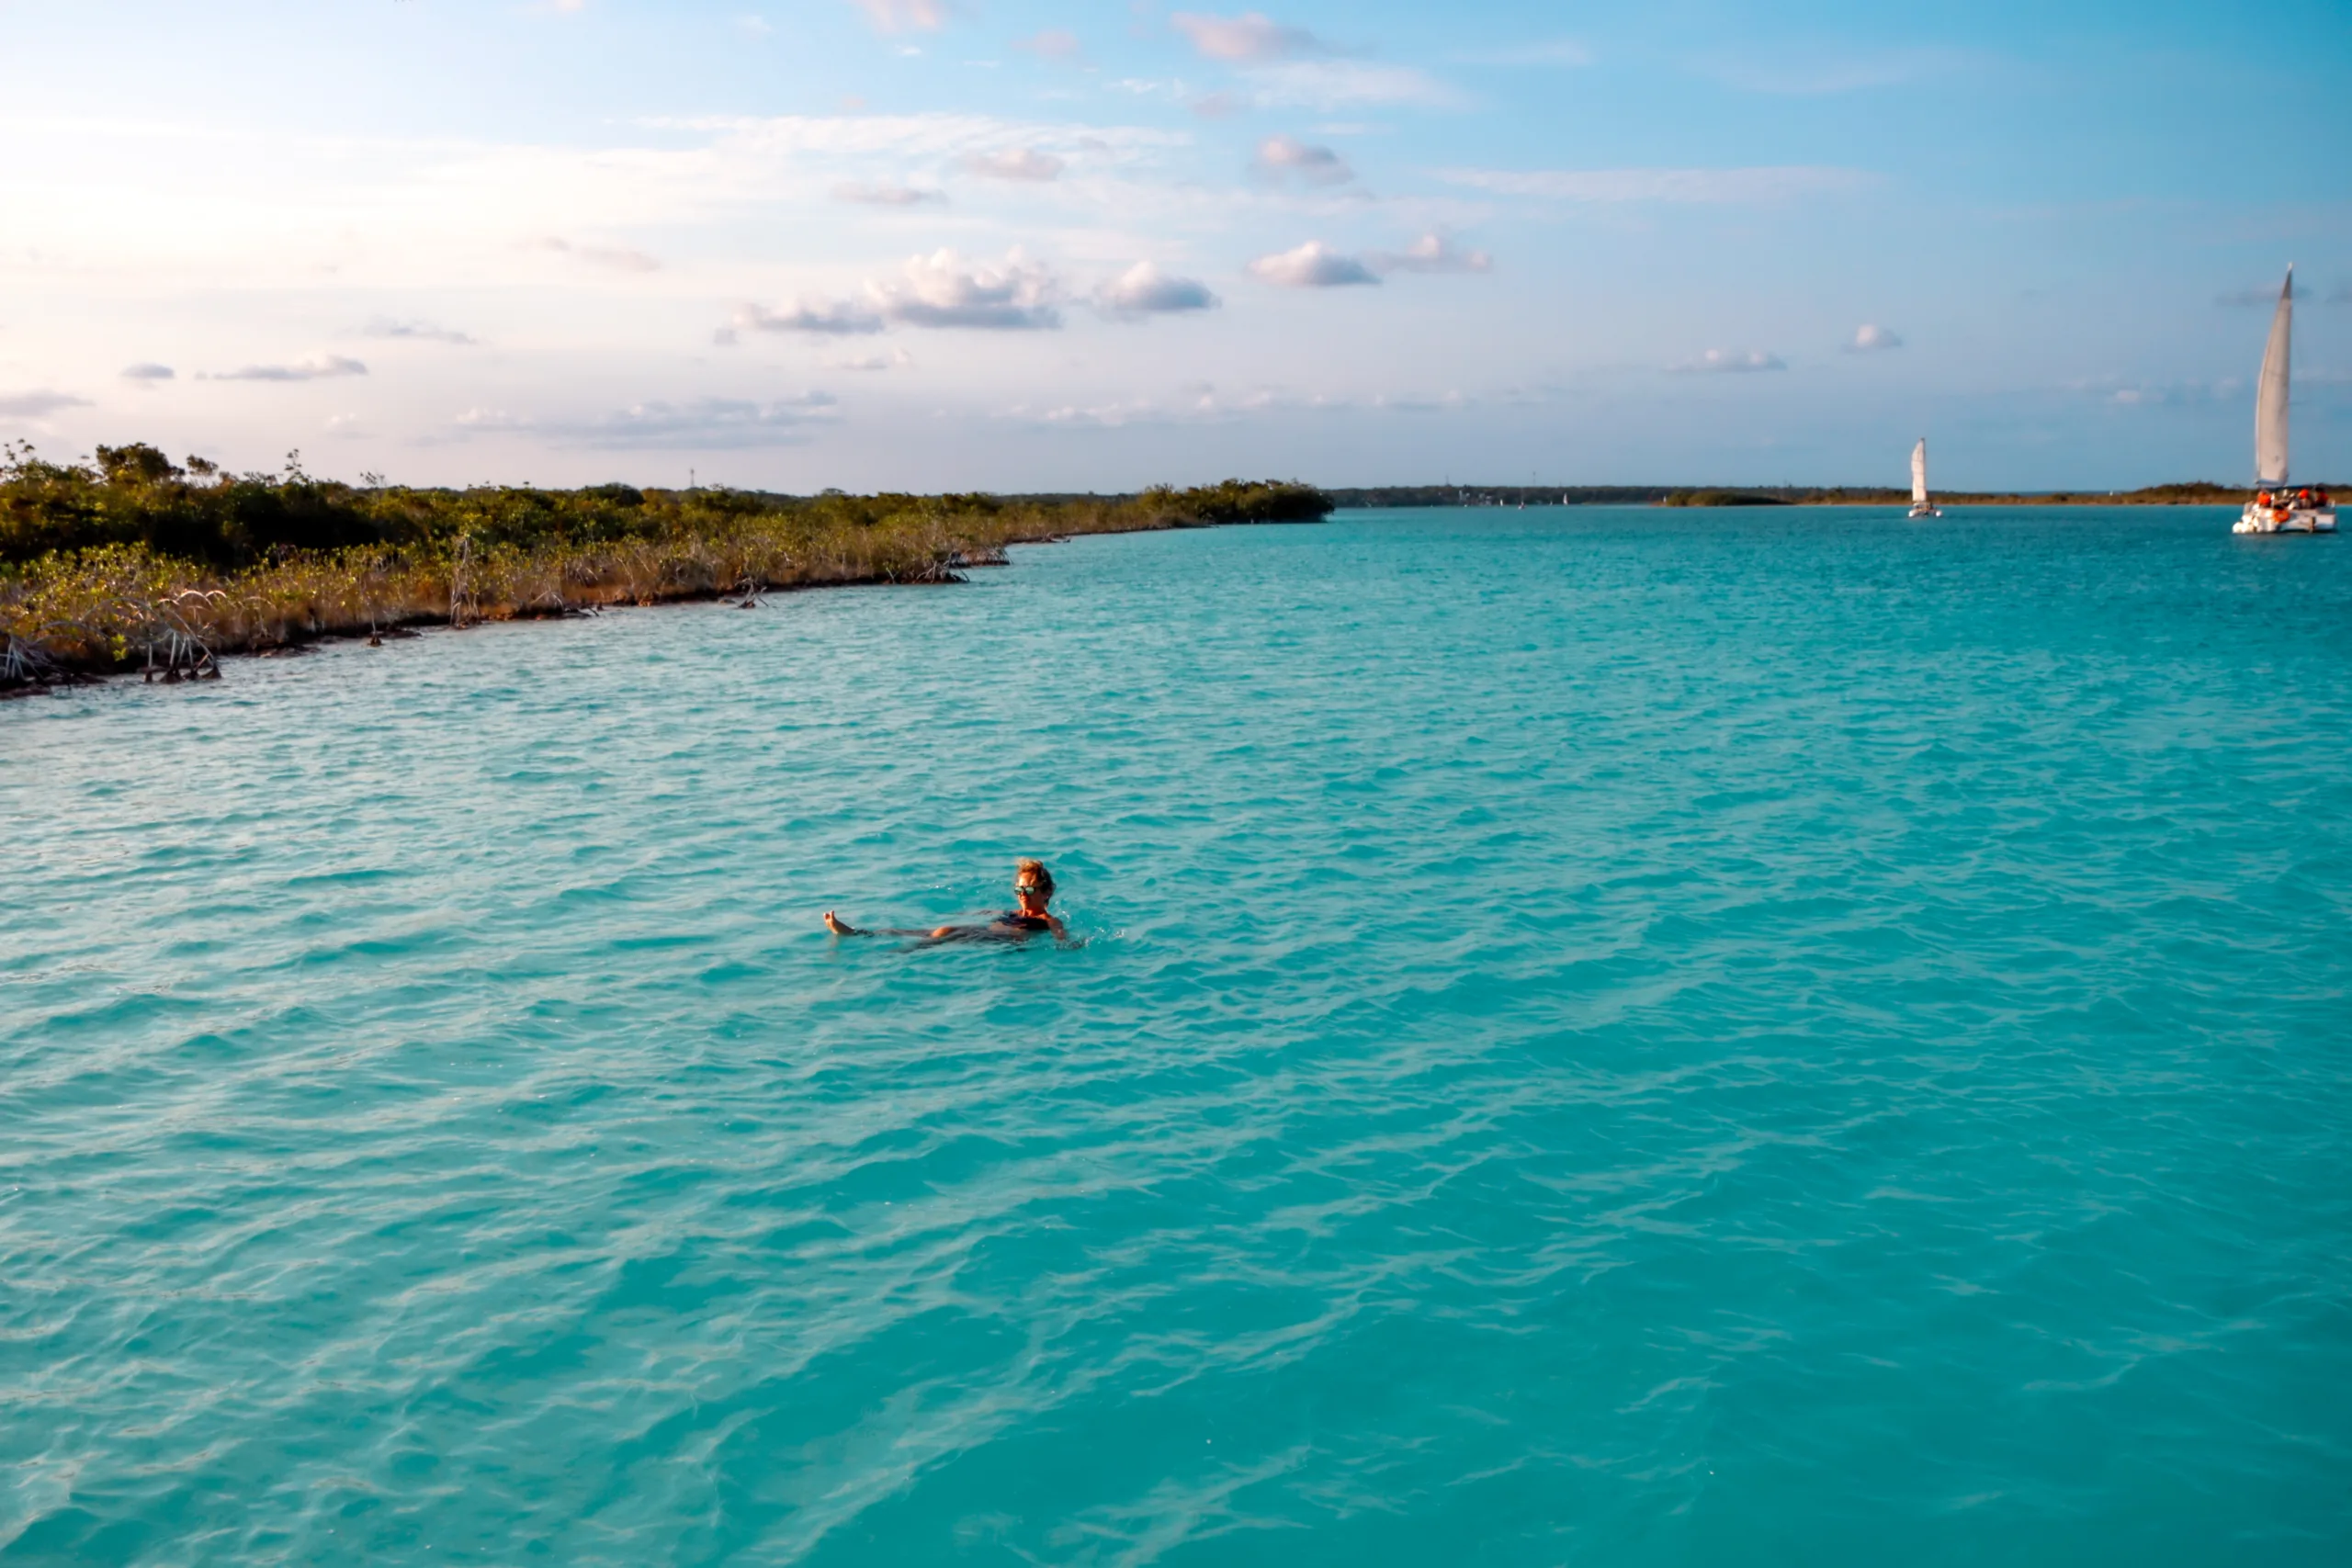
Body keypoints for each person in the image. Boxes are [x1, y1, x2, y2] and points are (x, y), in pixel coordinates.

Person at [823, 859, 1072, 945]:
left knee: (942, 932)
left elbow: (1060, 934)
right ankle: (858, 934)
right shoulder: (1013, 910)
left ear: (1047, 892)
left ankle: (897, 955)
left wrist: (1069, 944)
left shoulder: (1047, 919)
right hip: (985, 932)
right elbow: (988, 912)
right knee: (907, 930)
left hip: (996, 941)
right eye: (1019, 888)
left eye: (1029, 888)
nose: (1022, 893)